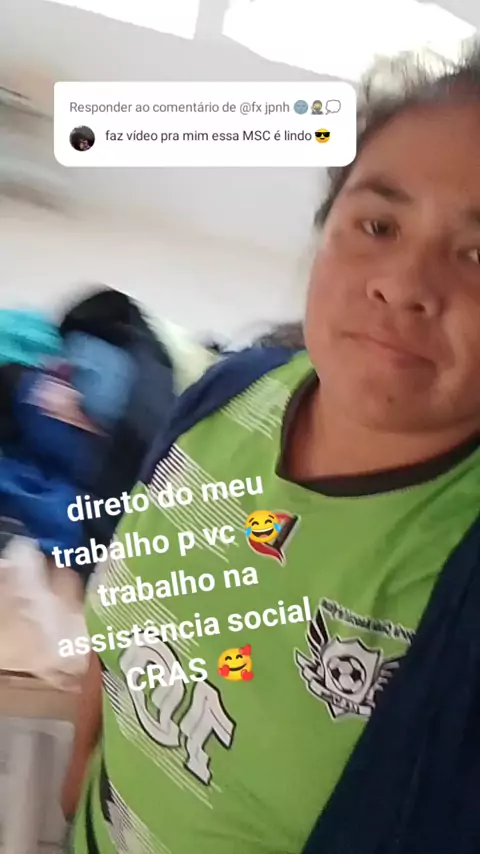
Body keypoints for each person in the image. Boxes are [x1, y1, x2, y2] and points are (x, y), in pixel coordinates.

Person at [62, 42, 480, 853]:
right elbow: (125, 607)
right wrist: (81, 767)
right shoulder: (224, 398)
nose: (403, 283)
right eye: (379, 224)